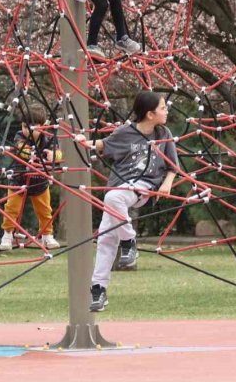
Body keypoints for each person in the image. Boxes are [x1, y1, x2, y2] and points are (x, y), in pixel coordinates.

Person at [74, 91, 178, 312]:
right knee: (105, 239)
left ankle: (129, 242)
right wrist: (85, 142)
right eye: (162, 108)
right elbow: (102, 144)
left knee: (112, 196)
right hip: (120, 189)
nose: (166, 111)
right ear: (150, 114)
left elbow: (173, 166)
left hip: (144, 188)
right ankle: (98, 289)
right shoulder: (125, 132)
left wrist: (167, 183)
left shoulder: (163, 133)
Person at [0, 104, 62, 251]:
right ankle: (7, 234)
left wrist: (54, 156)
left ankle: (47, 235)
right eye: (24, 126)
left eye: (32, 127)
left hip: (39, 180)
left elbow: (58, 154)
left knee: (45, 210)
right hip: (18, 178)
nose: (27, 131)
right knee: (11, 208)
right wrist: (34, 155)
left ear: (43, 127)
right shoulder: (19, 136)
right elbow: (23, 151)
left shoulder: (49, 139)